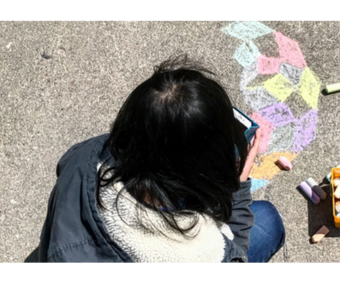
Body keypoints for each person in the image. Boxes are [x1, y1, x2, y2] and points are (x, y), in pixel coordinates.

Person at [37, 55, 285, 264]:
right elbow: (232, 254)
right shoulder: (199, 255)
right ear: (206, 174)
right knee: (268, 222)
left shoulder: (89, 154)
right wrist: (239, 189)